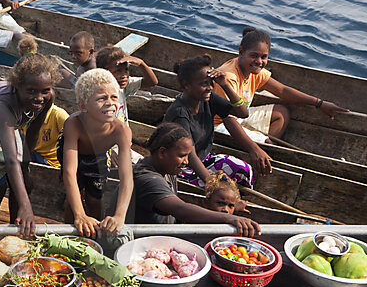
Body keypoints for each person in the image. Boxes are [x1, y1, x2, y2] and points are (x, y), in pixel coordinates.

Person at [216, 27, 348, 173]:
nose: (259, 61)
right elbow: (228, 119)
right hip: (219, 124)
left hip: (240, 116)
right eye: (254, 56)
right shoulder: (229, 77)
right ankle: (265, 153)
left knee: (281, 113)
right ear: (241, 52)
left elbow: (282, 90)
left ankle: (267, 150)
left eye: (264, 57)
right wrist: (254, 149)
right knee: (265, 144)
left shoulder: (254, 71)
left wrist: (319, 103)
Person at [0, 54, 59, 237]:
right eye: (31, 91)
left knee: (24, 181)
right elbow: (10, 159)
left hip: (5, 125)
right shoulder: (3, 105)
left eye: (44, 91)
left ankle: (17, 226)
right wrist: (27, 205)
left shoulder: (48, 97)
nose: (39, 98)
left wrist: (26, 166)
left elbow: (33, 131)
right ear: (17, 88)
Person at [128, 123, 260, 235]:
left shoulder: (168, 170)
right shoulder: (147, 178)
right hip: (144, 242)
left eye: (187, 156)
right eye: (182, 156)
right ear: (162, 152)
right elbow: (180, 209)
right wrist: (229, 218)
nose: (186, 162)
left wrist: (232, 206)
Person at [59, 69, 134, 238]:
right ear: (83, 105)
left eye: (114, 97)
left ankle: (95, 238)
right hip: (73, 154)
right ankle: (69, 237)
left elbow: (127, 177)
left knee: (95, 200)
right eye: (101, 98)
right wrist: (80, 215)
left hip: (98, 157)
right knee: (72, 203)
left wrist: (119, 215)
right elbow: (69, 172)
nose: (109, 103)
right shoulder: (73, 124)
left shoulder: (121, 130)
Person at [163, 55, 255, 187]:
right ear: (186, 85)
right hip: (181, 167)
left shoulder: (209, 99)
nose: (210, 88)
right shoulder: (180, 113)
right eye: (203, 84)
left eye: (211, 83)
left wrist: (224, 84)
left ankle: (232, 202)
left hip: (204, 159)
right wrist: (214, 184)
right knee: (219, 186)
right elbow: (191, 155)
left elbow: (243, 113)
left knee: (243, 169)